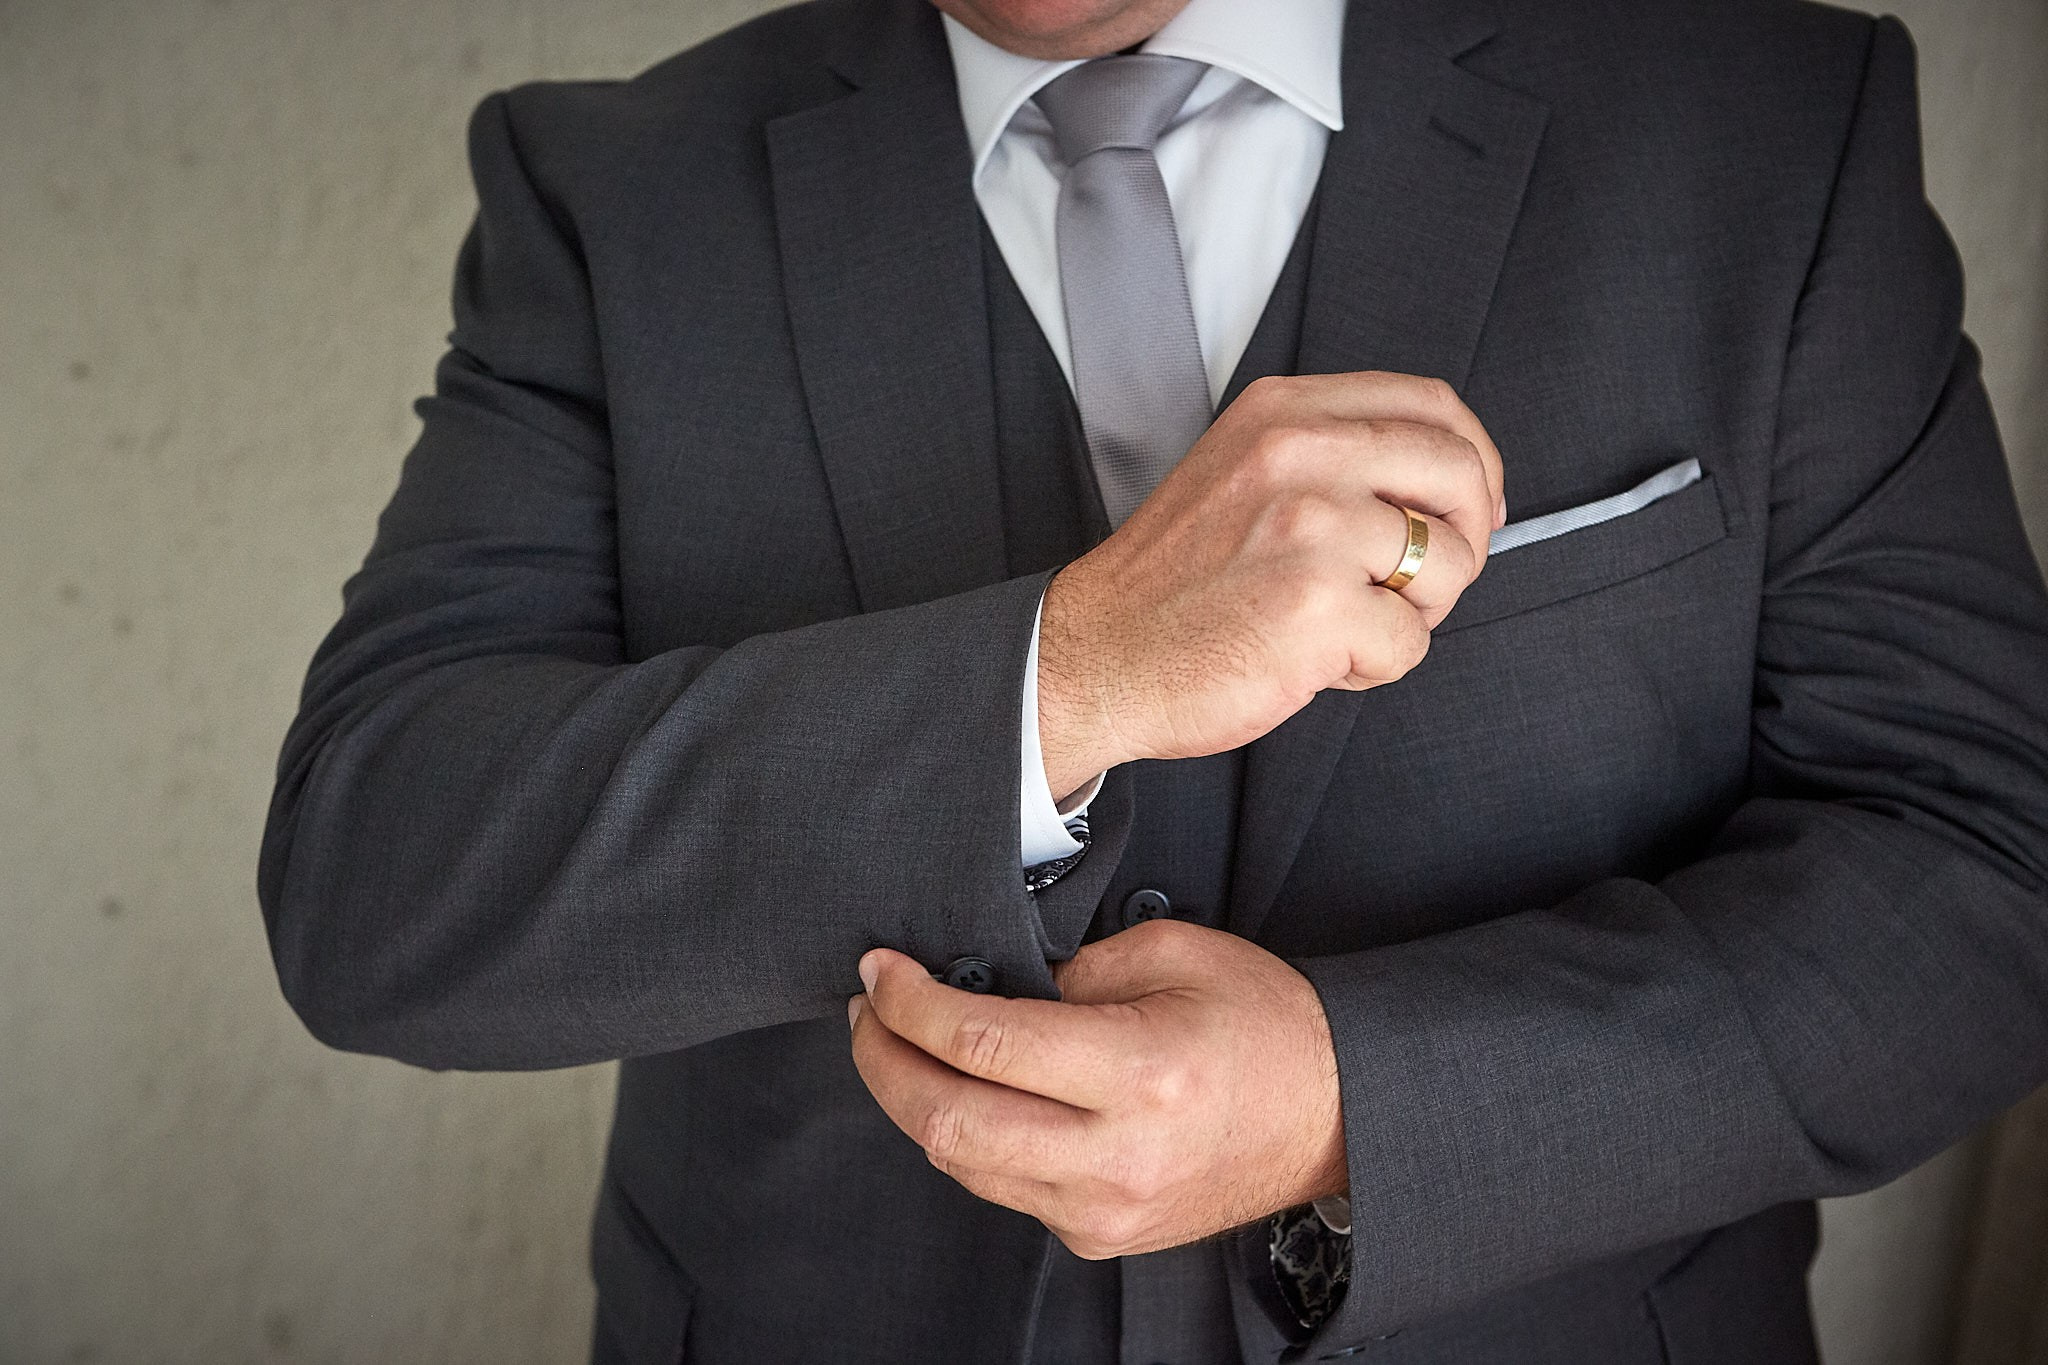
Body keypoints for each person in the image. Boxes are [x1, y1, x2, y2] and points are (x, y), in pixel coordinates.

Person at [258, 0, 2048, 1359]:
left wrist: (1359, 1104)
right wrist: (1069, 673)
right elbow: (375, 872)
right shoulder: (614, 193)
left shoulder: (1760, 120)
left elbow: (1980, 875)